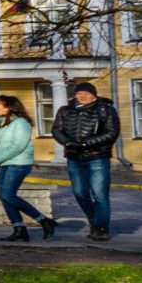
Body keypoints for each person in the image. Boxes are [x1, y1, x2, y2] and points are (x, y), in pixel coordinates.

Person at [0, 92, 55, 241]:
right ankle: (19, 228)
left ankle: (43, 220)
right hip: (3, 163)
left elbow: (17, 146)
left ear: (8, 107)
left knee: (8, 195)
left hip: (19, 163)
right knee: (3, 196)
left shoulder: (21, 123)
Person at [51, 80, 121, 241]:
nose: (82, 96)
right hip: (74, 158)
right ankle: (94, 222)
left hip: (98, 157)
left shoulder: (106, 110)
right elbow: (56, 130)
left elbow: (111, 134)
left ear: (93, 95)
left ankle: (101, 228)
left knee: (99, 195)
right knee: (80, 193)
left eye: (86, 93)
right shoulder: (65, 110)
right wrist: (68, 143)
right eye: (79, 93)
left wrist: (84, 143)